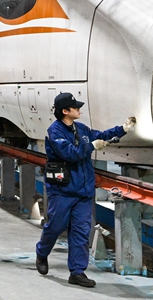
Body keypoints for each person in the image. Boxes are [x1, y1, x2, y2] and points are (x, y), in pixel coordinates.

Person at [35, 92, 135, 287]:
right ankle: (42, 252)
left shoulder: (80, 129)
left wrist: (122, 129)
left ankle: (77, 272)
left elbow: (100, 135)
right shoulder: (55, 131)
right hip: (62, 191)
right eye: (75, 107)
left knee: (81, 232)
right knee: (55, 227)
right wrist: (91, 147)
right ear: (65, 111)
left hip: (83, 191)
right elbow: (70, 153)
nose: (79, 109)